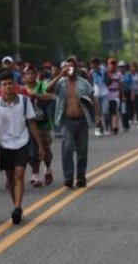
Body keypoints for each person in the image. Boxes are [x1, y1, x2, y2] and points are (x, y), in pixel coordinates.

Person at [0, 71, 44, 225]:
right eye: (4, 84)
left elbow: (32, 124)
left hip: (22, 142)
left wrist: (39, 145)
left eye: (10, 83)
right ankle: (16, 206)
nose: (8, 87)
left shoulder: (25, 102)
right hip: (4, 144)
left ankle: (18, 208)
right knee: (10, 178)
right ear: (0, 87)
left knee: (19, 173)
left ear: (15, 85)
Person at [46, 57, 101, 189]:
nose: (70, 68)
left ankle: (81, 176)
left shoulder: (83, 83)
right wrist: (60, 74)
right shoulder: (60, 83)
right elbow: (48, 89)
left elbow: (93, 99)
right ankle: (68, 177)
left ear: (76, 68)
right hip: (67, 122)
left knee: (82, 151)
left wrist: (98, 116)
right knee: (67, 148)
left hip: (82, 121)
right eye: (67, 66)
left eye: (72, 66)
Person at [22, 66, 55, 188]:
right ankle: (35, 175)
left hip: (43, 124)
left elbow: (50, 96)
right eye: (27, 73)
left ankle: (48, 168)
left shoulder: (42, 85)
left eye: (32, 73)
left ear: (36, 75)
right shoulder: (22, 89)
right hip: (28, 124)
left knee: (45, 151)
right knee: (32, 151)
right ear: (24, 76)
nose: (30, 75)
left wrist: (35, 95)